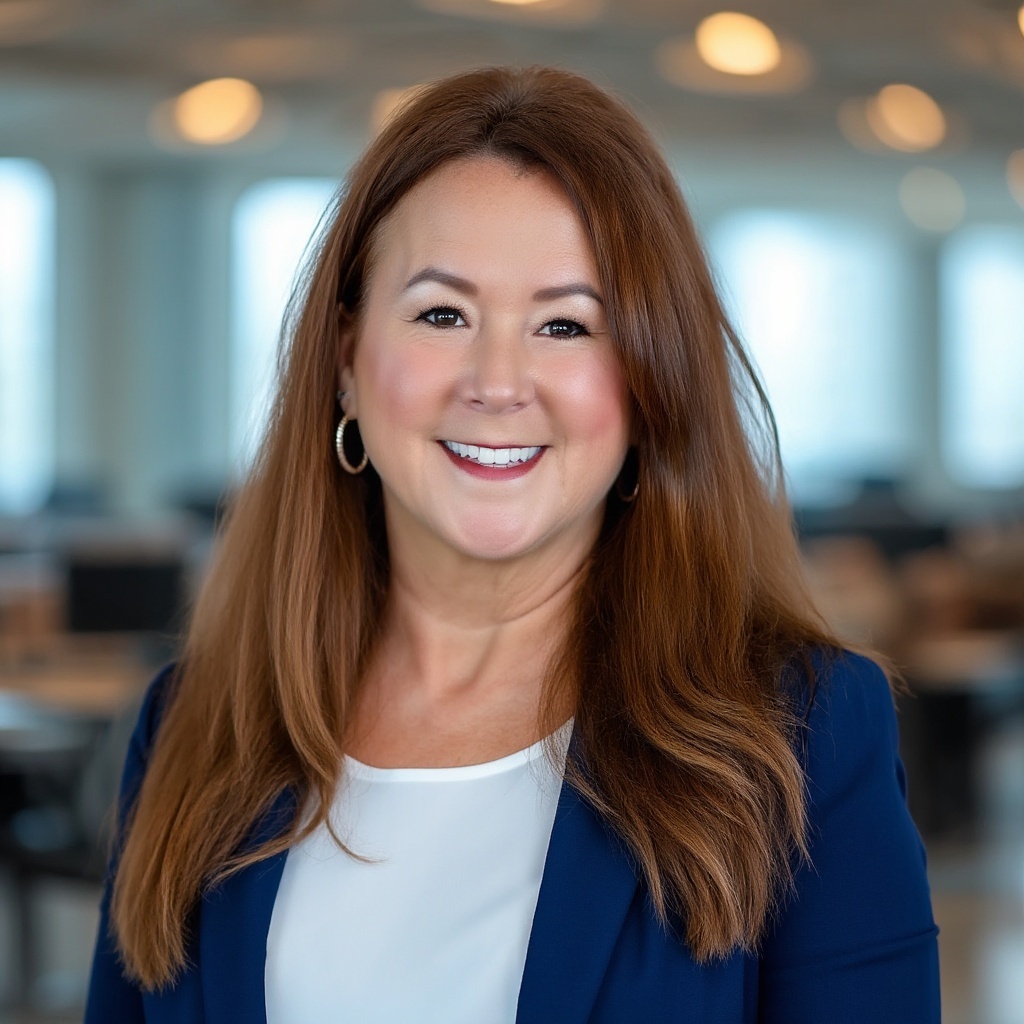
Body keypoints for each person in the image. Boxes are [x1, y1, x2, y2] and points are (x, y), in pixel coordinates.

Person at [84, 65, 940, 1023]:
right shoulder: (195, 725)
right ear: (346, 359)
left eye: (566, 324)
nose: (497, 382)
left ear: (649, 384)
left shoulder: (804, 735)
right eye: (442, 314)